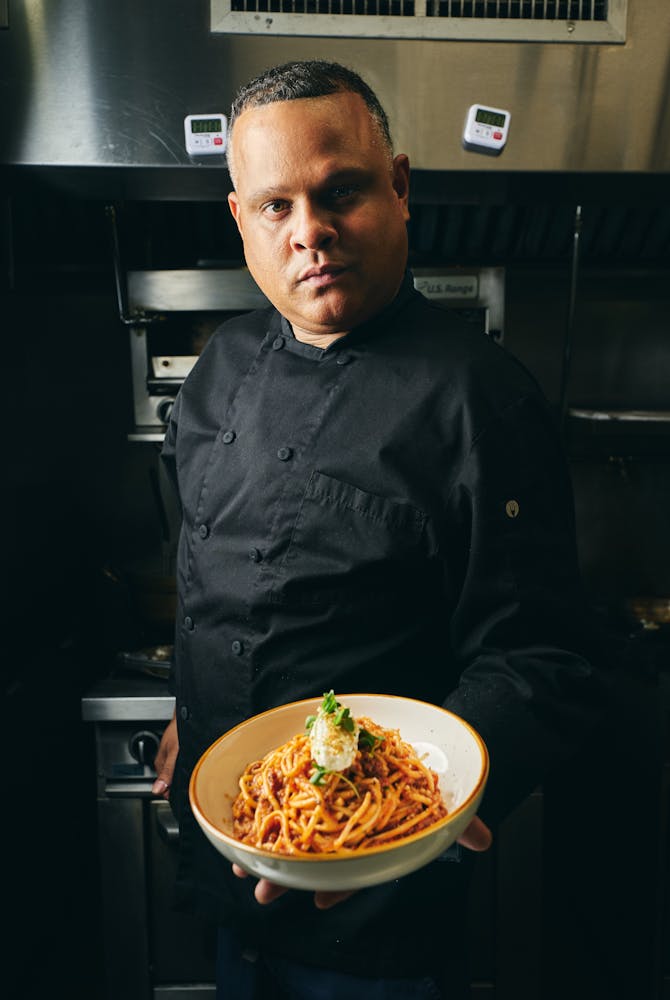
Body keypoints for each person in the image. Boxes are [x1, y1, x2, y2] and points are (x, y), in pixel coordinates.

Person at [152, 60, 605, 999]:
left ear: (399, 187)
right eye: (275, 207)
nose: (310, 232)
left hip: (375, 909)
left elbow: (540, 655)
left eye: (341, 191)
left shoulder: (482, 400)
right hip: (222, 864)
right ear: (240, 223)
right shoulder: (217, 373)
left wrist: (429, 802)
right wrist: (192, 709)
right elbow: (207, 569)